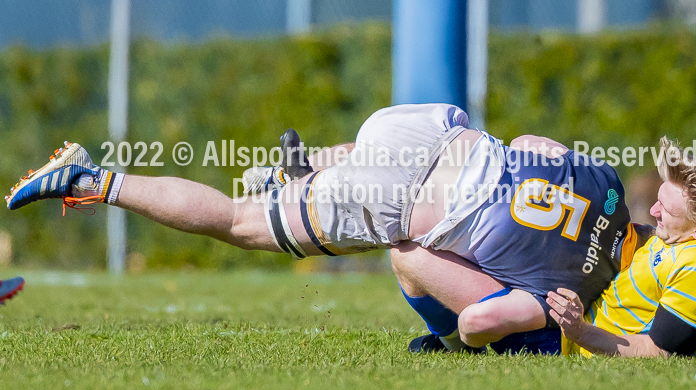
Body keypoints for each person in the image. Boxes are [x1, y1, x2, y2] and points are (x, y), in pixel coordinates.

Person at [7, 103, 635, 353]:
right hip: (403, 196)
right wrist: (536, 325)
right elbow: (478, 320)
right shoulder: (563, 295)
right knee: (238, 221)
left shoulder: (609, 183)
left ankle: (309, 179)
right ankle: (91, 179)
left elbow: (530, 141)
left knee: (380, 174)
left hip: (431, 125)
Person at [392, 137, 696, 357]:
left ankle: (456, 346)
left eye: (666, 210)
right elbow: (650, 258)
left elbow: (658, 352)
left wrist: (578, 330)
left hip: (560, 339)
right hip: (578, 302)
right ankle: (457, 339)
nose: (653, 210)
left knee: (408, 256)